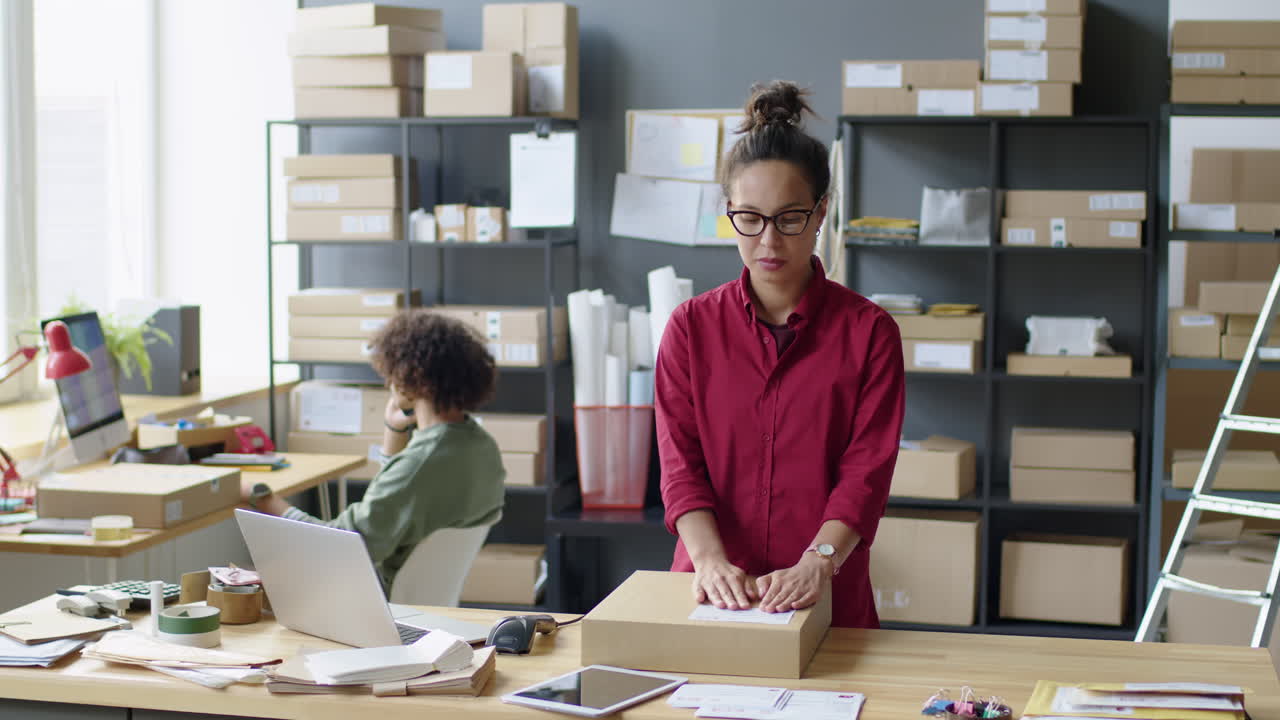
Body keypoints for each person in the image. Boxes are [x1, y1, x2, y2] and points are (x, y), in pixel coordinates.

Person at [655, 80, 905, 628]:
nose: (768, 242)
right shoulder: (690, 330)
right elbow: (680, 468)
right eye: (750, 218)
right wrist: (711, 559)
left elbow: (866, 475)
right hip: (712, 597)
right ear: (729, 213)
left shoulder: (870, 334)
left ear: (821, 214)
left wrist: (817, 562)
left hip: (825, 599)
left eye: (789, 219)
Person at [241, 309, 506, 592]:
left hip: (374, 598)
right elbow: (397, 500)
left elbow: (343, 544)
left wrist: (265, 499)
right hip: (422, 601)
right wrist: (394, 431)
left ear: (412, 378)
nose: (389, 382)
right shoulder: (480, 445)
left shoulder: (421, 463)